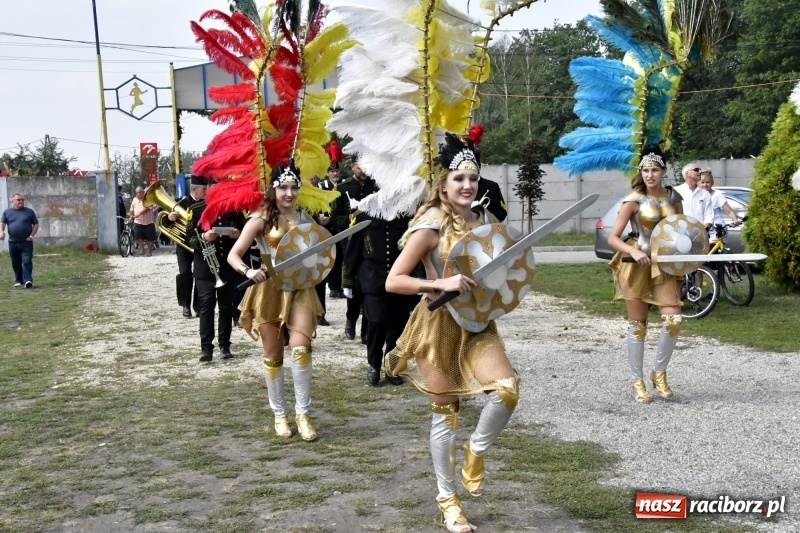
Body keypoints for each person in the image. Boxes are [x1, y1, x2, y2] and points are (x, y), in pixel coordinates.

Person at [384, 134, 518, 533]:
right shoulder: (430, 226)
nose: (467, 185)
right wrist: (439, 284)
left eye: (473, 178)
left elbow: (501, 269)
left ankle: (475, 451)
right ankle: (448, 501)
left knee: (506, 390)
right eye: (459, 178)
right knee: (446, 414)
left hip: (478, 323)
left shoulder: (486, 221)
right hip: (438, 324)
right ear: (443, 185)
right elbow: (394, 280)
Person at [227, 162, 325, 442]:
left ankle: (303, 414)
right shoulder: (260, 219)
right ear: (273, 189)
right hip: (269, 289)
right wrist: (248, 272)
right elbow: (234, 254)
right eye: (283, 188)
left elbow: (318, 252)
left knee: (302, 348)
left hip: (300, 288)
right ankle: (279, 415)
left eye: (294, 187)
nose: (289, 193)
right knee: (274, 355)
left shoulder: (305, 218)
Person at [607, 146, 684, 404]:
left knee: (673, 320)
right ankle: (637, 381)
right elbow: (613, 237)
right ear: (641, 173)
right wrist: (632, 250)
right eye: (646, 170)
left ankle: (659, 373)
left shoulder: (674, 198)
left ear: (664, 171)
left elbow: (682, 231)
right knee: (638, 324)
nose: (650, 175)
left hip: (665, 263)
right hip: (637, 262)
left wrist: (688, 257)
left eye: (655, 170)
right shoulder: (633, 200)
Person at [343, 211, 416, 386]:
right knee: (376, 321)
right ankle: (374, 365)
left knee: (398, 325)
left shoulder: (407, 217)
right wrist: (348, 281)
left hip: (401, 278)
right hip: (373, 278)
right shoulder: (363, 216)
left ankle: (392, 368)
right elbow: (352, 251)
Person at [187, 192, 245, 362]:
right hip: (205, 268)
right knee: (206, 306)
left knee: (226, 306)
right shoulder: (196, 209)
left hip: (227, 266)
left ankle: (225, 345)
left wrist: (239, 235)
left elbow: (246, 235)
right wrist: (203, 237)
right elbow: (188, 239)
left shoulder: (234, 210)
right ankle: (206, 348)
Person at [333, 155, 377, 342]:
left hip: (372, 241)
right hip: (350, 243)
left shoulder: (376, 186)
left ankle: (366, 329)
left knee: (370, 286)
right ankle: (351, 319)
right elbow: (335, 219)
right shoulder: (342, 188)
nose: (364, 170)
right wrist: (351, 218)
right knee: (355, 285)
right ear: (352, 166)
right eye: (360, 167)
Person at [167, 175, 207, 318]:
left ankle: (198, 306)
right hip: (183, 246)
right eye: (204, 189)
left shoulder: (206, 204)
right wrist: (169, 218)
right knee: (184, 274)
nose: (206, 191)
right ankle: (185, 305)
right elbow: (165, 222)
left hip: (199, 245)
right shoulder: (180, 203)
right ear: (194, 189)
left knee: (200, 275)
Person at [0, 194, 39, 288]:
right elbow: (2, 223)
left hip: (26, 241)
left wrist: (31, 236)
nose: (21, 201)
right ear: (13, 201)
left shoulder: (29, 212)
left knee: (26, 260)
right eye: (18, 200)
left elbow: (36, 224)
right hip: (13, 242)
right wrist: (1, 232)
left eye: (22, 200)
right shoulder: (7, 212)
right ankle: (18, 280)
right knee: (16, 262)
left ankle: (28, 280)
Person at [319, 163, 344, 299]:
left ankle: (342, 286)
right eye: (332, 171)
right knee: (332, 257)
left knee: (342, 256)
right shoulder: (322, 186)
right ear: (328, 173)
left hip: (342, 226)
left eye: (336, 171)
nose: (335, 174)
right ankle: (333, 287)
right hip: (328, 226)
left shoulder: (344, 185)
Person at [699, 169, 740, 234]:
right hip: (702, 229)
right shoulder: (697, 195)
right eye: (702, 182)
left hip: (716, 229)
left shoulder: (718, 195)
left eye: (707, 182)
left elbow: (729, 211)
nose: (705, 185)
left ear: (712, 183)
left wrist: (735, 220)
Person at [675, 164, 712, 229]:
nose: (700, 171)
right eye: (696, 170)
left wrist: (705, 230)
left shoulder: (705, 194)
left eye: (700, 169)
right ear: (687, 174)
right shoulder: (676, 191)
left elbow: (709, 215)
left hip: (700, 232)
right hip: (680, 232)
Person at [129, 186, 158, 256]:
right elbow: (131, 209)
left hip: (148, 222)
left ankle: (149, 251)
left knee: (150, 238)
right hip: (138, 222)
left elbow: (148, 208)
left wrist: (139, 213)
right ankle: (142, 249)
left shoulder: (148, 198)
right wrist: (131, 217)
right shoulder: (134, 200)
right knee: (137, 236)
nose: (138, 194)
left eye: (140, 192)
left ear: (143, 192)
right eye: (137, 192)